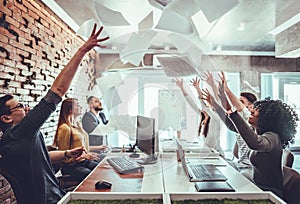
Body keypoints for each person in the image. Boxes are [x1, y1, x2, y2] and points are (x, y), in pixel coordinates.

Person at [0, 24, 109, 204]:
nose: (26, 107)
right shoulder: (20, 132)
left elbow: (41, 155)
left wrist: (67, 154)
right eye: (20, 105)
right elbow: (57, 91)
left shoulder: (11, 141)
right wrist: (82, 50)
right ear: (6, 118)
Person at [210, 85, 298, 199]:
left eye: (257, 110)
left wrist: (233, 113)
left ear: (267, 117)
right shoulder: (257, 132)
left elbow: (255, 143)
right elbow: (232, 125)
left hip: (270, 194)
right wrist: (219, 106)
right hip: (257, 188)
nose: (252, 110)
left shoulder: (273, 138)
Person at [202, 71, 256, 180]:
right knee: (214, 169)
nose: (237, 103)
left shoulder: (250, 122)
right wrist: (215, 89)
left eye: (242, 101)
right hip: (239, 165)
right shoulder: (238, 123)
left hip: (248, 169)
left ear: (251, 106)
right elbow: (225, 110)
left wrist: (225, 89)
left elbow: (239, 108)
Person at [53, 98, 107, 181]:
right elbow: (64, 157)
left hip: (83, 162)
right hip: (71, 166)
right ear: (70, 109)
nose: (81, 107)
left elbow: (82, 147)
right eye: (77, 105)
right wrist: (83, 156)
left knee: (102, 170)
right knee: (93, 177)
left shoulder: (78, 125)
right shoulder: (64, 128)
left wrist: (91, 152)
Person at [172, 77, 225, 157]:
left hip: (217, 154)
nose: (207, 105)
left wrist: (198, 88)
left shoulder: (215, 118)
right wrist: (182, 88)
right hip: (207, 153)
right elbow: (191, 103)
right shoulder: (203, 116)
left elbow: (204, 105)